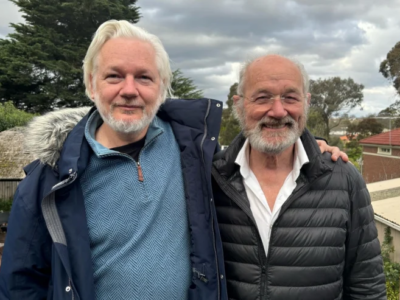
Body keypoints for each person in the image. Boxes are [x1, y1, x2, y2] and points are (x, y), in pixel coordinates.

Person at [0, 21, 346, 300]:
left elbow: (264, 144)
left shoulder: (193, 151)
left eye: (145, 77)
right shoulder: (51, 179)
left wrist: (307, 146)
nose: (130, 89)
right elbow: (21, 281)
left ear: (163, 87)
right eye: (114, 75)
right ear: (92, 85)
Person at [211, 54, 386, 300]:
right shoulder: (210, 178)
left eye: (290, 98)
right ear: (239, 105)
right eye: (262, 97)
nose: (278, 111)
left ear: (306, 103)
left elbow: (367, 286)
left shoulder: (344, 179)